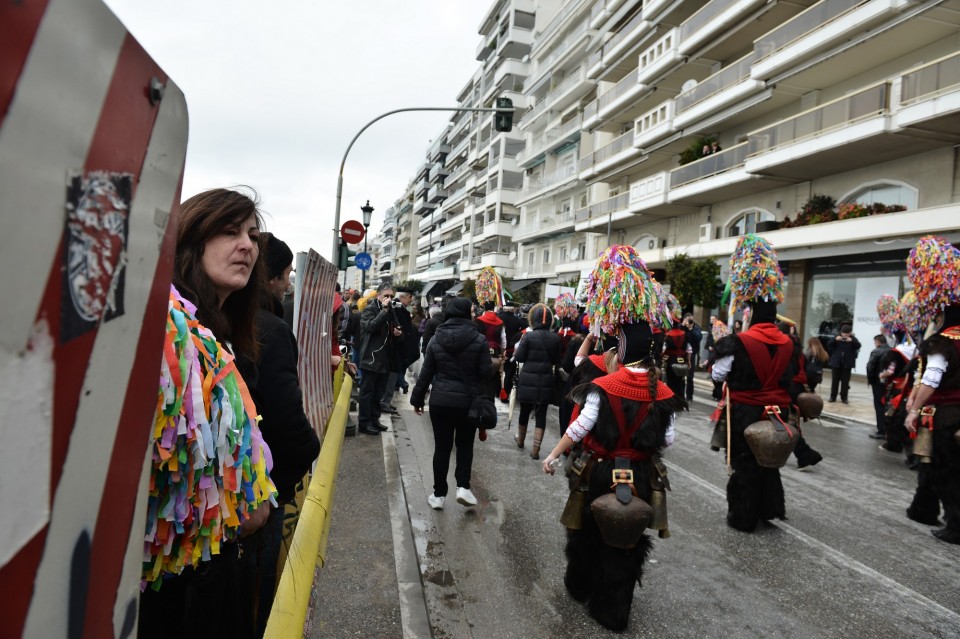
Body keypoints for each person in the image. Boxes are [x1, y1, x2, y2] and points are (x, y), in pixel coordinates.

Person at [139, 188, 276, 638]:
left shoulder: (221, 333)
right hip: (161, 583)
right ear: (191, 238)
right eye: (230, 231)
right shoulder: (167, 325)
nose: (248, 246)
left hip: (206, 573)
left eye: (253, 236)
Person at [542, 320, 681, 632]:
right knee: (628, 539)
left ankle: (580, 585)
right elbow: (669, 439)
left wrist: (552, 455)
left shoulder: (604, 386)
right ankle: (614, 612)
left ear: (622, 349)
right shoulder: (664, 391)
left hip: (601, 471)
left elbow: (579, 428)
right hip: (642, 475)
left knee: (587, 531)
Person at [242, 232, 321, 637]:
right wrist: (311, 451)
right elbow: (287, 420)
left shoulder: (213, 318)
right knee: (257, 605)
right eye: (287, 274)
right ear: (270, 276)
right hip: (259, 496)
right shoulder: (270, 329)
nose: (289, 283)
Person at [712, 235, 800, 532]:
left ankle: (743, 517)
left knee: (745, 464)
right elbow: (792, 377)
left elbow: (718, 375)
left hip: (747, 411)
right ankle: (770, 509)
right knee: (770, 464)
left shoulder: (740, 341)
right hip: (778, 411)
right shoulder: (789, 341)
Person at [410, 297, 492, 510]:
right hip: (467, 402)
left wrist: (417, 399)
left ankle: (438, 495)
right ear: (466, 313)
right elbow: (486, 375)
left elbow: (426, 373)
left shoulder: (436, 339)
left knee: (442, 448)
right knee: (465, 445)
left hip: (440, 401)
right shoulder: (479, 340)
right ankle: (463, 487)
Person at [515, 303, 562, 459]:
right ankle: (535, 450)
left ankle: (520, 440)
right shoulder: (555, 338)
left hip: (528, 378)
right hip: (546, 379)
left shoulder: (528, 336)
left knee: (524, 411)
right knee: (541, 414)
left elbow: (520, 357)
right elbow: (556, 360)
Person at [357, 283, 400, 435]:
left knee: (378, 392)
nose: (389, 299)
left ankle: (374, 419)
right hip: (371, 357)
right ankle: (364, 422)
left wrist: (395, 332)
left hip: (384, 358)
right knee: (367, 392)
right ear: (379, 296)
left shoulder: (390, 310)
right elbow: (371, 327)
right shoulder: (370, 309)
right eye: (386, 295)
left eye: (391, 296)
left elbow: (391, 328)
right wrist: (384, 311)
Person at [381, 286, 420, 414]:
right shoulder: (396, 307)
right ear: (402, 296)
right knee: (391, 376)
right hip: (395, 348)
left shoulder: (400, 307)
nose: (411, 300)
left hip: (398, 348)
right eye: (409, 297)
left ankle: (387, 401)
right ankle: (384, 402)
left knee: (393, 376)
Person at [866, 334, 892, 440]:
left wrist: (871, 379)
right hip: (889, 382)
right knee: (887, 405)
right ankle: (887, 429)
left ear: (877, 342)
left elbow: (870, 366)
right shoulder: (892, 351)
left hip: (878, 382)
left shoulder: (876, 351)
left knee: (879, 405)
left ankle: (881, 430)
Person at [828, 324, 861, 403]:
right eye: (843, 333)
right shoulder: (837, 337)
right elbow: (828, 344)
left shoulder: (852, 339)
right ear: (841, 332)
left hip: (847, 364)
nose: (845, 335)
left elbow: (858, 345)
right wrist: (835, 340)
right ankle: (833, 397)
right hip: (836, 363)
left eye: (847, 333)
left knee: (845, 382)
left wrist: (852, 341)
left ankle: (844, 397)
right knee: (834, 381)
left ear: (850, 333)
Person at [682, 314, 702, 401]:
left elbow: (699, 338)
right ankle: (680, 394)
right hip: (682, 353)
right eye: (688, 320)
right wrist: (683, 325)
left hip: (692, 354)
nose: (689, 322)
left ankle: (689, 396)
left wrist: (691, 329)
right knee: (680, 375)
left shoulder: (696, 328)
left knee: (690, 376)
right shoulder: (682, 326)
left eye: (691, 320)